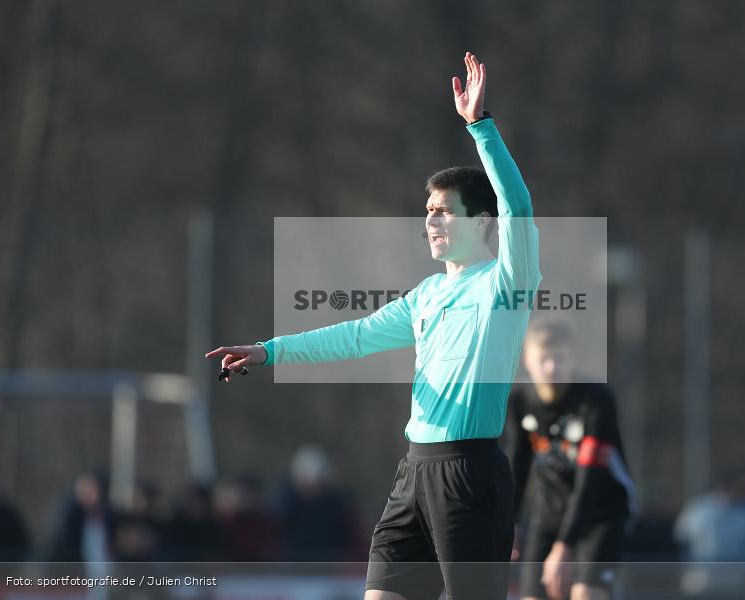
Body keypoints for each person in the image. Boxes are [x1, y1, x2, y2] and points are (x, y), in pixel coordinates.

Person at [206, 51, 541, 599]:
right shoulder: (427, 295)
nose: (430, 220)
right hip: (413, 475)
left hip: (470, 476)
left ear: (482, 222)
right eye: (427, 210)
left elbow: (519, 207)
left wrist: (480, 127)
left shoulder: (506, 285)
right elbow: (355, 336)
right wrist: (270, 350)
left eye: (443, 211)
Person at [506, 320, 635, 600]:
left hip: (599, 516)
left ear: (572, 357)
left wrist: (564, 545)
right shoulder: (519, 401)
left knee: (584, 593)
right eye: (544, 359)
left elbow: (589, 479)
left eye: (559, 358)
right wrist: (510, 522)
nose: (552, 367)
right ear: (527, 361)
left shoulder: (596, 400)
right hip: (548, 514)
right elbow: (518, 463)